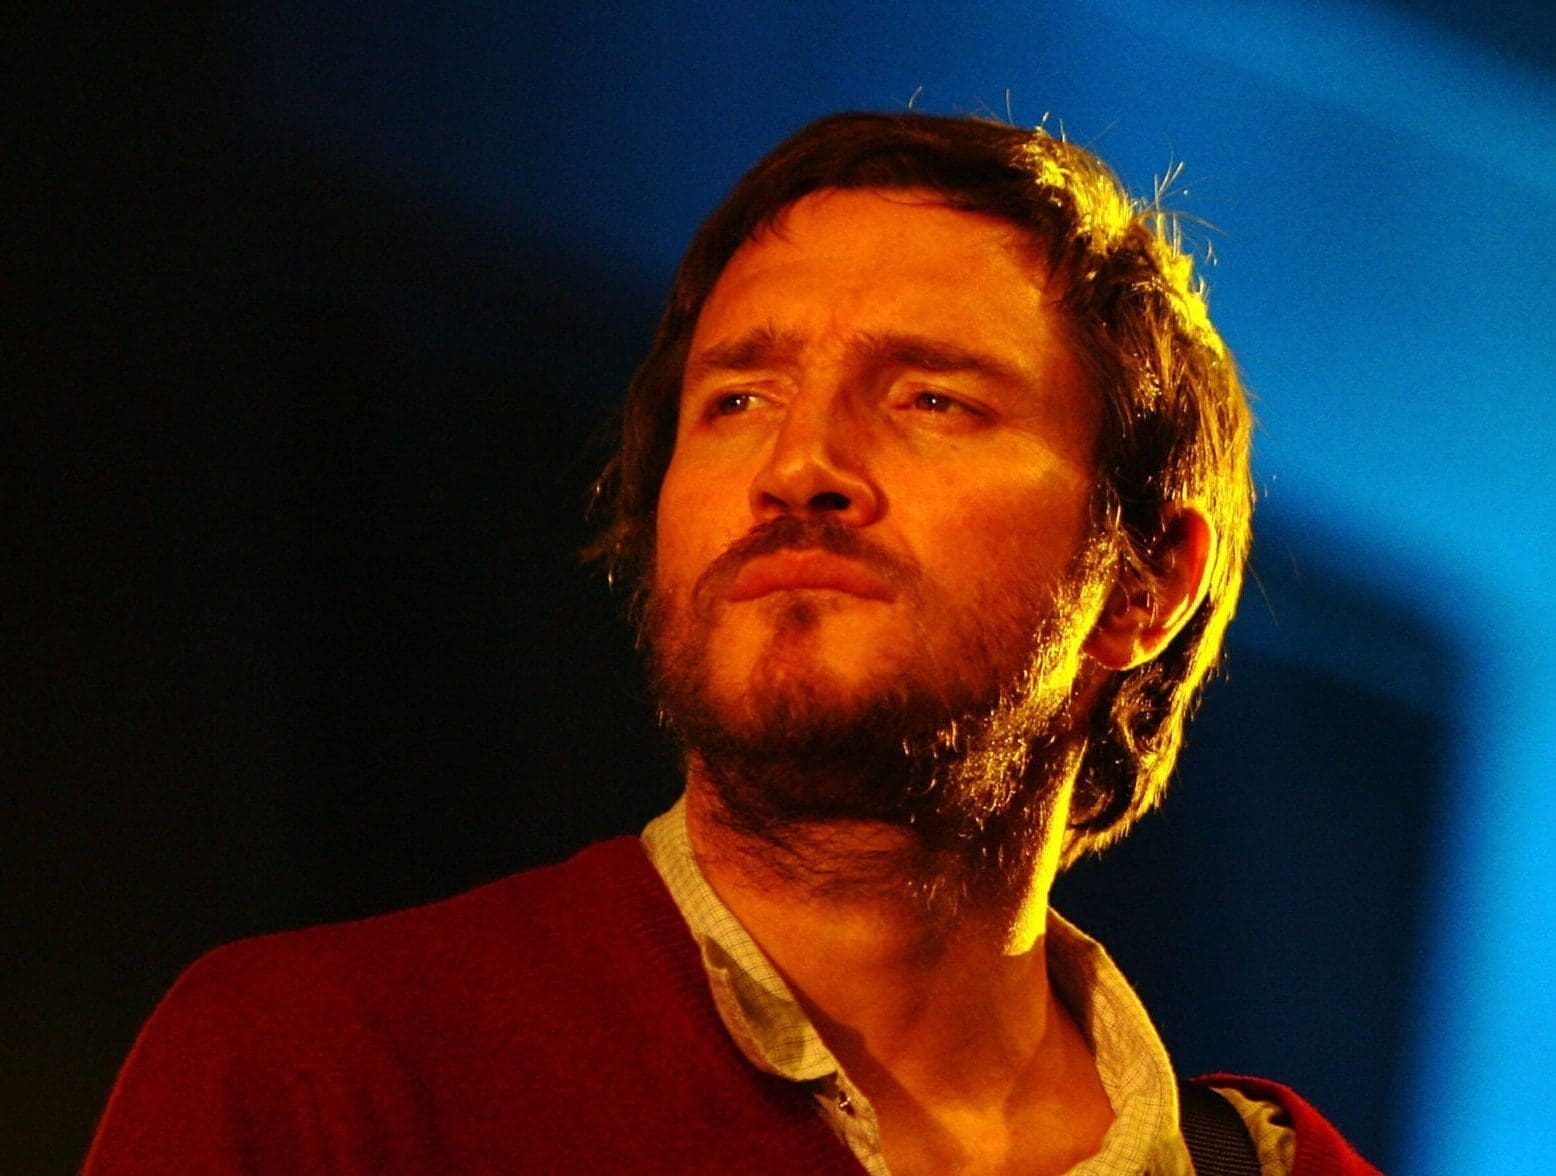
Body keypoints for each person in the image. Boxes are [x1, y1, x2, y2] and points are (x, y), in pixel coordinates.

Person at [85, 112, 1379, 1174]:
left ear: (1146, 581)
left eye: (932, 398)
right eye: (739, 398)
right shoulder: (318, 1070)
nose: (798, 466)